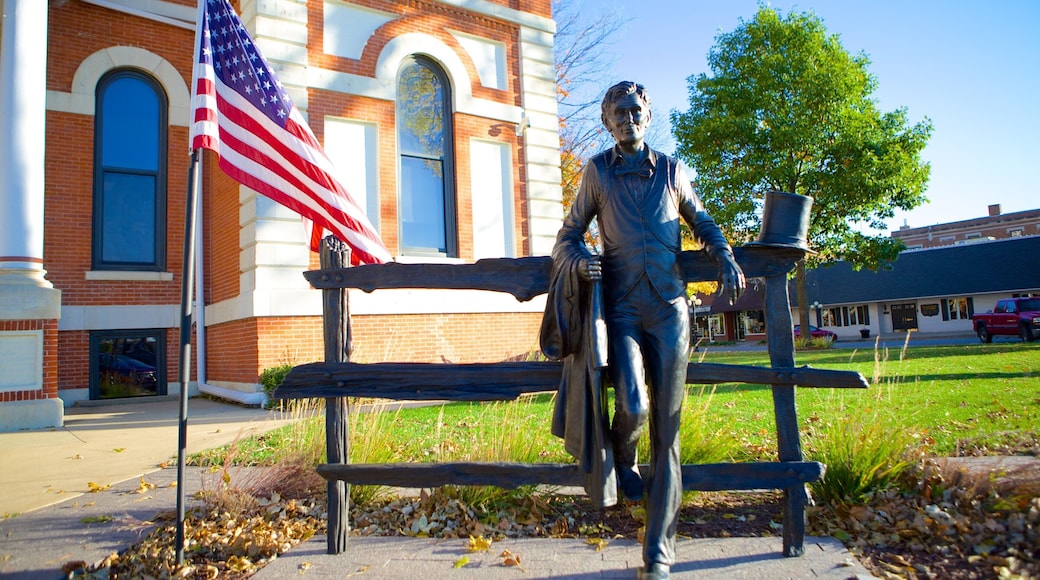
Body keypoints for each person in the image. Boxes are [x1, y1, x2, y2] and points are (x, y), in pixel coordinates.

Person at [548, 81, 745, 579]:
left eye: (636, 111)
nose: (628, 119)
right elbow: (567, 235)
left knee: (669, 428)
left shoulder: (674, 171)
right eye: (619, 113)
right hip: (622, 309)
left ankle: (659, 553)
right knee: (632, 406)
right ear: (607, 121)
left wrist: (722, 253)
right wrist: (579, 260)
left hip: (669, 307)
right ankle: (623, 457)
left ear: (648, 117)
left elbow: (701, 220)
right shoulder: (596, 173)